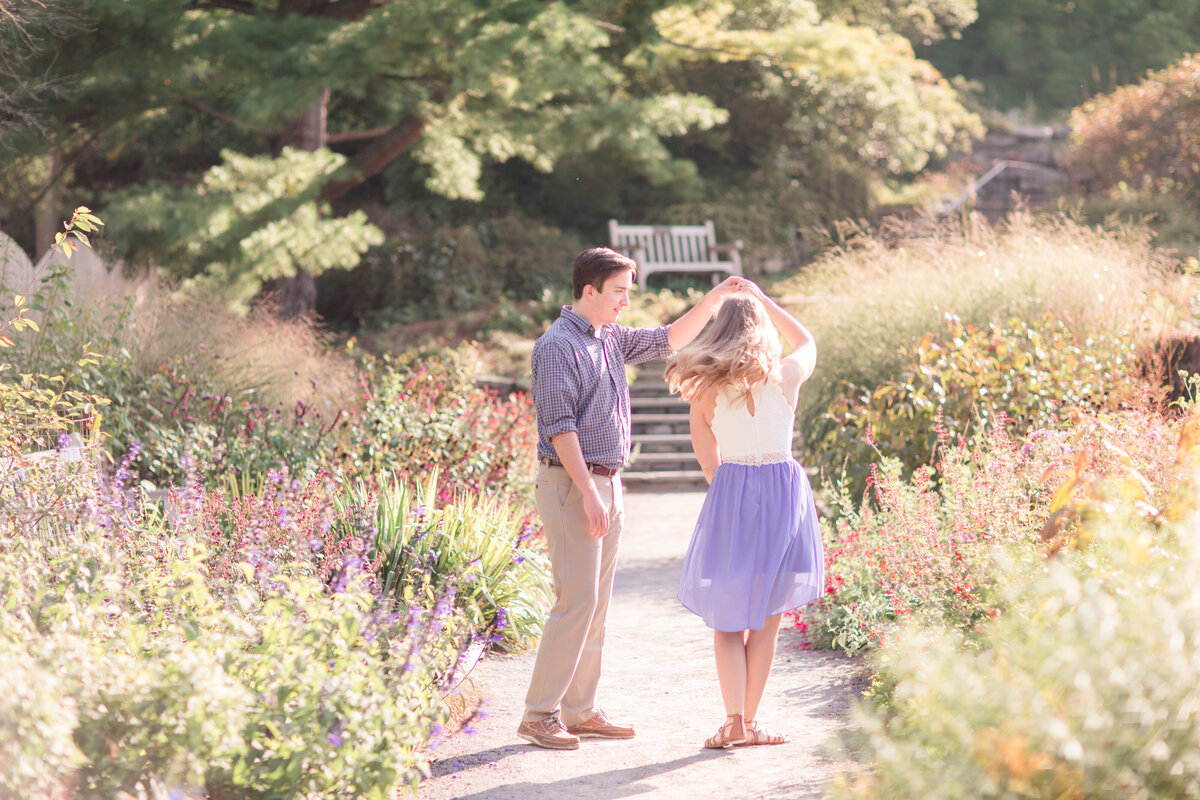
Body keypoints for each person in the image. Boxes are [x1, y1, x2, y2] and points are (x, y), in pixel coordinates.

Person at [518, 247, 745, 750]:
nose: (626, 301)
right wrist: (588, 492)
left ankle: (579, 711)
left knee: (593, 605)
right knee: (576, 600)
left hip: (606, 482)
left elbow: (666, 339)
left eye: (628, 291)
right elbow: (560, 429)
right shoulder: (557, 347)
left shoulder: (609, 338)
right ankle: (539, 715)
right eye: (619, 291)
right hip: (573, 483)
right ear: (589, 290)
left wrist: (713, 300)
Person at [665, 281, 824, 749]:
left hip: (733, 492)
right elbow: (807, 342)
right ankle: (750, 723)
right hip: (783, 491)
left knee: (728, 620)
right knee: (768, 619)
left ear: (719, 332)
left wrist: (732, 495)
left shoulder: (704, 391)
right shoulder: (786, 376)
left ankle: (734, 721)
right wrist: (765, 300)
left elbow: (707, 458)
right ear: (761, 329)